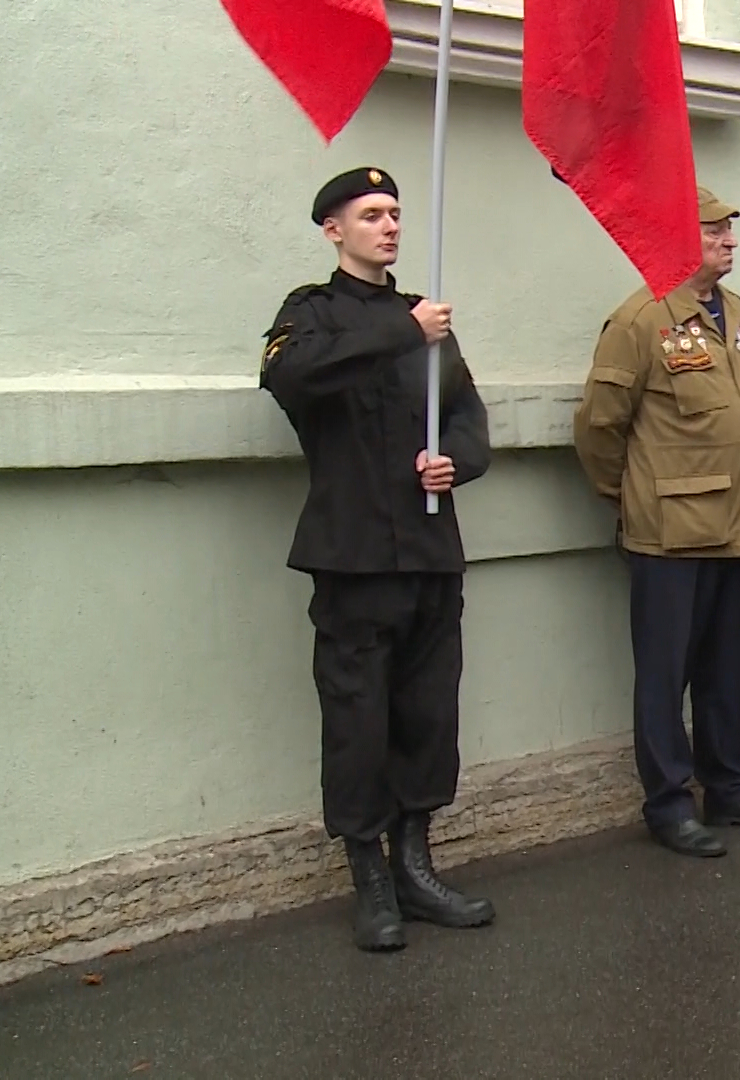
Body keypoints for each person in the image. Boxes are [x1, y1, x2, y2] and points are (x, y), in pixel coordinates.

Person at [259, 167, 495, 952]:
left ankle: (416, 865)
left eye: (395, 213)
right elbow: (289, 376)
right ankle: (369, 878)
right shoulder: (313, 315)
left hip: (430, 553)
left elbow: (467, 416)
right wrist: (405, 332)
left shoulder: (425, 320)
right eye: (371, 215)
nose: (390, 226)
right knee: (358, 723)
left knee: (428, 716)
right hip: (355, 557)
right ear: (334, 230)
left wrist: (453, 463)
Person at [573, 186, 740, 858]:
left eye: (731, 230)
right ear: (675, 240)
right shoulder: (640, 319)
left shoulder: (736, 312)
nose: (731, 241)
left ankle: (730, 787)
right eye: (715, 232)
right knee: (665, 674)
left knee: (730, 668)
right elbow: (599, 428)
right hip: (671, 534)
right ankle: (669, 802)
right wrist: (631, 497)